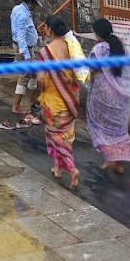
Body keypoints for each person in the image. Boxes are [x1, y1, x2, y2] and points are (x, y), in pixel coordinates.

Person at [86, 18, 130, 174]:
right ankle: (119, 163)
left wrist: (89, 78)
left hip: (102, 91)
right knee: (118, 128)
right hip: (119, 93)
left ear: (97, 34)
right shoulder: (119, 46)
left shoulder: (99, 50)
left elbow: (93, 68)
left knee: (102, 126)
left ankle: (109, 158)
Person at [37, 14, 81, 188]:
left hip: (53, 101)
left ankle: (71, 168)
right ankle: (57, 167)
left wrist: (42, 90)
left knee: (55, 137)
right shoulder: (72, 47)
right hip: (70, 98)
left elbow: (40, 78)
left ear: (50, 30)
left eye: (46, 27)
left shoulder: (45, 52)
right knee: (66, 136)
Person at [0, 0, 41, 128]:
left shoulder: (17, 9)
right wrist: (26, 56)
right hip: (25, 49)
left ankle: (33, 100)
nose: (36, 7)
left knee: (33, 73)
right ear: (31, 3)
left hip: (26, 47)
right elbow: (21, 36)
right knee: (24, 75)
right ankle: (16, 105)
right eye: (35, 5)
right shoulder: (23, 14)